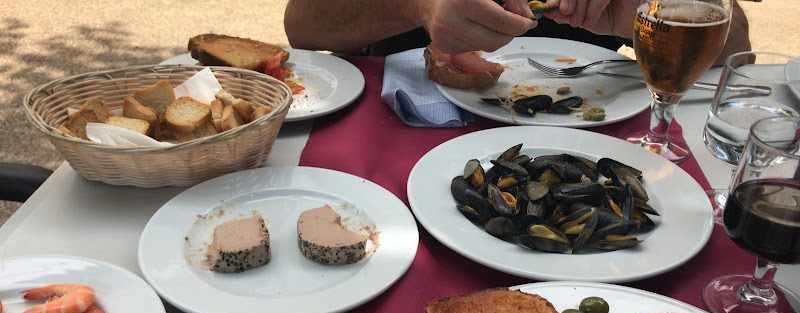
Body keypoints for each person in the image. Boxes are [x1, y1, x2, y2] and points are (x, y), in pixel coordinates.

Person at [284, 0, 750, 63]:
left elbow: (736, 57)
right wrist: (421, 6)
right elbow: (303, 26)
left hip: (594, 139)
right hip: (402, 137)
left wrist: (657, 9)